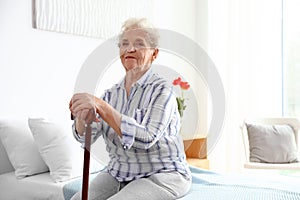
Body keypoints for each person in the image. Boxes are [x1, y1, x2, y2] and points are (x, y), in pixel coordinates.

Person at [69, 18, 191, 200]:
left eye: (139, 44)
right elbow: (87, 136)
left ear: (154, 53)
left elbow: (147, 138)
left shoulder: (162, 91)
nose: (130, 49)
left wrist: (101, 106)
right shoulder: (111, 95)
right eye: (124, 44)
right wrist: (81, 117)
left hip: (160, 174)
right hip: (119, 172)